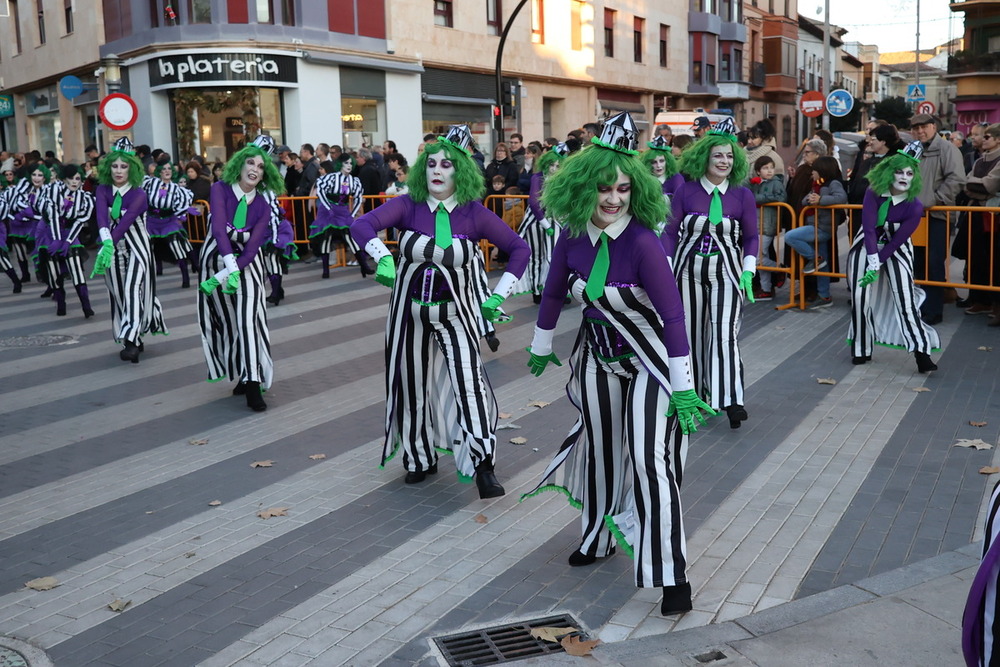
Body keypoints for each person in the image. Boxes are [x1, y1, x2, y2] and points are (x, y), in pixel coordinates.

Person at [522, 111, 714, 617]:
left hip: (651, 362)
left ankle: (672, 573)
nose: (613, 199)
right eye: (605, 188)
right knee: (603, 451)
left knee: (652, 461)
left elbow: (673, 318)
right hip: (598, 359)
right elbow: (552, 290)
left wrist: (683, 386)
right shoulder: (572, 235)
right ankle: (598, 537)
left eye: (625, 189)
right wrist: (541, 344)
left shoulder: (644, 242)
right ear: (585, 186)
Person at [350, 124, 529, 499]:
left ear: (460, 171)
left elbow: (519, 249)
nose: (436, 171)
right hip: (409, 314)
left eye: (446, 164)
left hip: (455, 315)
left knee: (470, 386)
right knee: (411, 385)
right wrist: (382, 257)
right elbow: (362, 224)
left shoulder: (474, 214)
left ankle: (483, 464)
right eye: (431, 163)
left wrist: (498, 296)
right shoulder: (408, 205)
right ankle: (418, 458)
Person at [662, 117, 758, 429]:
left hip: (727, 272)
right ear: (705, 157)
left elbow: (752, 237)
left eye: (730, 156)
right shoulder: (686, 192)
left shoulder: (742, 195)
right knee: (688, 334)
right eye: (718, 155)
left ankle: (731, 399)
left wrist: (748, 270)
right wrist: (663, 266)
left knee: (723, 333)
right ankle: (694, 394)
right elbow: (670, 232)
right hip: (687, 271)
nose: (724, 161)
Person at [197, 135, 285, 412]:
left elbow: (254, 244)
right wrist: (226, 268)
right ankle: (241, 370)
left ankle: (253, 381)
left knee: (250, 320)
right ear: (240, 163)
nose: (255, 169)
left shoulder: (262, 203)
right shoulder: (220, 189)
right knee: (228, 321)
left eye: (261, 166)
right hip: (216, 258)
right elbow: (219, 230)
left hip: (248, 264)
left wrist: (234, 270)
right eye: (251, 162)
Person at [846, 142, 940, 372]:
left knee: (905, 298)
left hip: (897, 249)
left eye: (909, 173)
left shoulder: (914, 206)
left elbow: (899, 240)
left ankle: (921, 352)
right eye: (899, 171)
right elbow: (868, 228)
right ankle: (861, 348)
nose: (904, 177)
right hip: (866, 245)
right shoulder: (874, 192)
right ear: (889, 171)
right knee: (860, 296)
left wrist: (881, 258)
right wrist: (871, 257)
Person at [91, 137, 168, 363]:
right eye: (114, 165)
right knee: (118, 292)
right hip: (111, 245)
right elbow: (101, 219)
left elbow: (126, 223)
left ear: (132, 168)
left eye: (124, 166)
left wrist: (108, 243)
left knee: (133, 288)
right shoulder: (102, 190)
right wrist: (106, 244)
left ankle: (131, 341)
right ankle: (132, 333)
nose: (118, 170)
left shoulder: (139, 194)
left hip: (137, 245)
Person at [909, 113, 966, 325]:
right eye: (915, 128)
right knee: (916, 263)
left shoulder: (947, 149)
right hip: (914, 218)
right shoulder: (912, 149)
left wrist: (934, 201)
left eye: (923, 127)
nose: (919, 131)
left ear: (934, 127)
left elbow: (956, 179)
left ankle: (933, 310)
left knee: (933, 263)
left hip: (938, 216)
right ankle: (918, 307)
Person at [784, 156, 847, 309]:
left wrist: (821, 200)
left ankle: (815, 258)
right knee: (823, 266)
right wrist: (810, 199)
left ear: (822, 171)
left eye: (814, 170)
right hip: (815, 224)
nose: (812, 173)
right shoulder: (816, 184)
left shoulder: (833, 183)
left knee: (790, 236)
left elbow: (842, 198)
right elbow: (806, 200)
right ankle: (824, 296)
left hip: (822, 228)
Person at [38, 164, 96, 317]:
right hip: (50, 231)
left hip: (70, 232)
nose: (74, 182)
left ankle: (86, 306)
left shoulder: (85, 198)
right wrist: (57, 239)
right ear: (64, 179)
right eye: (71, 178)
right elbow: (54, 216)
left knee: (76, 269)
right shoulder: (53, 192)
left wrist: (68, 241)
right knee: (53, 270)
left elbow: (80, 221)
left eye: (78, 178)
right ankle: (61, 303)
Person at [512, 143, 568, 302]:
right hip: (536, 221)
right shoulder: (538, 177)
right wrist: (545, 224)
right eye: (552, 165)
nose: (554, 168)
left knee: (554, 258)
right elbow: (534, 203)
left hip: (555, 220)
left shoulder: (561, 180)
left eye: (558, 165)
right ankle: (537, 291)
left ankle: (556, 292)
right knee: (536, 257)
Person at [959, 124, 1000, 323]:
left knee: (995, 259)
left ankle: (996, 303)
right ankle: (980, 299)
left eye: (987, 136)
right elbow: (967, 186)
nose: (983, 139)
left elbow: (990, 185)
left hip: (994, 217)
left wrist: (978, 185)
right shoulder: (979, 161)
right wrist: (979, 186)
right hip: (976, 214)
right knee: (976, 256)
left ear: (998, 139)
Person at [310, 154, 367, 279]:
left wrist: (352, 213)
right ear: (340, 164)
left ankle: (364, 266)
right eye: (346, 163)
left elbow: (358, 198)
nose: (349, 166)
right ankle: (326, 270)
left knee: (349, 235)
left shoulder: (354, 180)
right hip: (328, 209)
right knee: (327, 236)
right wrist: (328, 207)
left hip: (342, 210)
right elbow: (320, 191)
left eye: (351, 163)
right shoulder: (331, 178)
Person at [142, 161, 195, 288]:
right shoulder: (150, 183)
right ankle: (153, 272)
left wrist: (180, 217)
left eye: (169, 169)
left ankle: (186, 277)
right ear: (159, 171)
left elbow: (180, 205)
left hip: (168, 219)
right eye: (164, 169)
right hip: (152, 219)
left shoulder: (176, 188)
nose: (167, 171)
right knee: (148, 245)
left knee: (176, 244)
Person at [748, 155, 787, 301]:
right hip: (757, 224)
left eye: (771, 167)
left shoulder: (776, 183)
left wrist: (761, 198)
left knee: (758, 258)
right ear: (758, 171)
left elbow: (782, 197)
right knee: (762, 256)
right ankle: (766, 289)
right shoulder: (755, 183)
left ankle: (780, 269)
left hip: (768, 224)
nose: (769, 171)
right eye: (765, 168)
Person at [847, 124, 902, 205]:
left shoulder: (893, 163)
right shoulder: (867, 160)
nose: (870, 142)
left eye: (873, 139)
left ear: (883, 142)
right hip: (858, 208)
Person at [642, 135, 685, 202]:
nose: (658, 165)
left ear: (667, 162)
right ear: (649, 164)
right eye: (654, 162)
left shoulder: (676, 179)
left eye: (661, 161)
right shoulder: (645, 180)